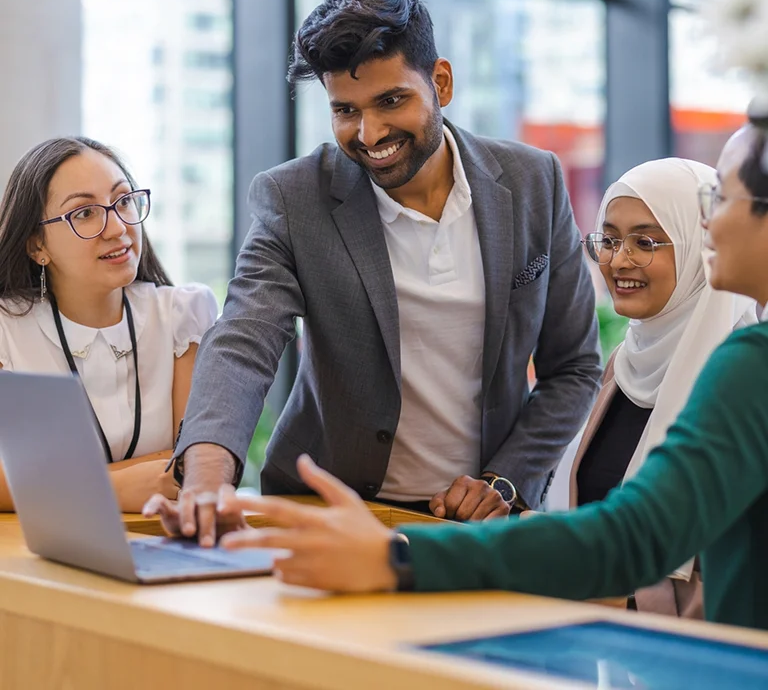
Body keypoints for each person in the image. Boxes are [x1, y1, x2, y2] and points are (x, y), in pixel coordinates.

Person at [217, 116, 768, 631]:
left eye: (720, 198)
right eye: (610, 238)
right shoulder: (629, 367)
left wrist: (400, 556)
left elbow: (633, 540)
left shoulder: (748, 366)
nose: (706, 219)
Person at [148, 0, 601, 545]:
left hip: (475, 524)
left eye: (390, 101)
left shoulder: (534, 182)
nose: (369, 135)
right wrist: (208, 478)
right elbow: (244, 340)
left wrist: (504, 482)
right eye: (345, 111)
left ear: (441, 83)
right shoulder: (294, 199)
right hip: (331, 510)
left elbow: (574, 368)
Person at [570, 158, 755, 617]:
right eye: (609, 240)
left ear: (698, 244)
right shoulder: (625, 365)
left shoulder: (743, 377)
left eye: (645, 241)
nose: (618, 259)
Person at [0, 137, 217, 512]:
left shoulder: (183, 316)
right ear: (38, 246)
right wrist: (114, 487)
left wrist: (48, 481)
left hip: (162, 541)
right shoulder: (7, 329)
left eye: (123, 201)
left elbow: (194, 462)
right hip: (35, 553)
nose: (117, 227)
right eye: (84, 213)